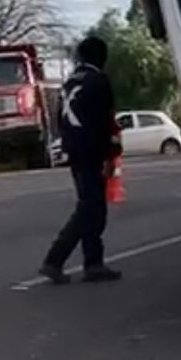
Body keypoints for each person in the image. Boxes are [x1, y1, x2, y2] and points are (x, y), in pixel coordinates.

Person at [40, 36, 123, 284]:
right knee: (90, 207)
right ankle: (55, 259)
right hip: (93, 149)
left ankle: (93, 263)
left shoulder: (69, 83)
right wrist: (111, 155)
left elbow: (60, 118)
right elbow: (106, 121)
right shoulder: (99, 81)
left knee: (93, 206)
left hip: (74, 149)